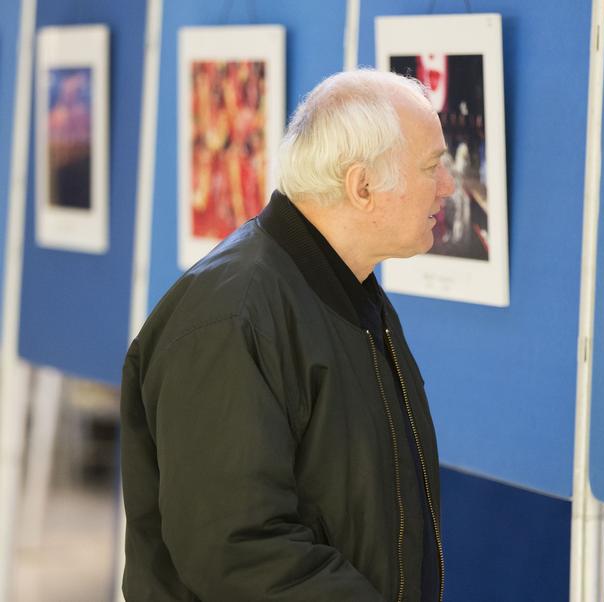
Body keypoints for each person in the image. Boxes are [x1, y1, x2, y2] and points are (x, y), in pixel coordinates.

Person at [120, 69, 454, 601]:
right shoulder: (232, 317)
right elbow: (237, 549)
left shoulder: (350, 296)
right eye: (433, 167)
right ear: (363, 187)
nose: (448, 186)